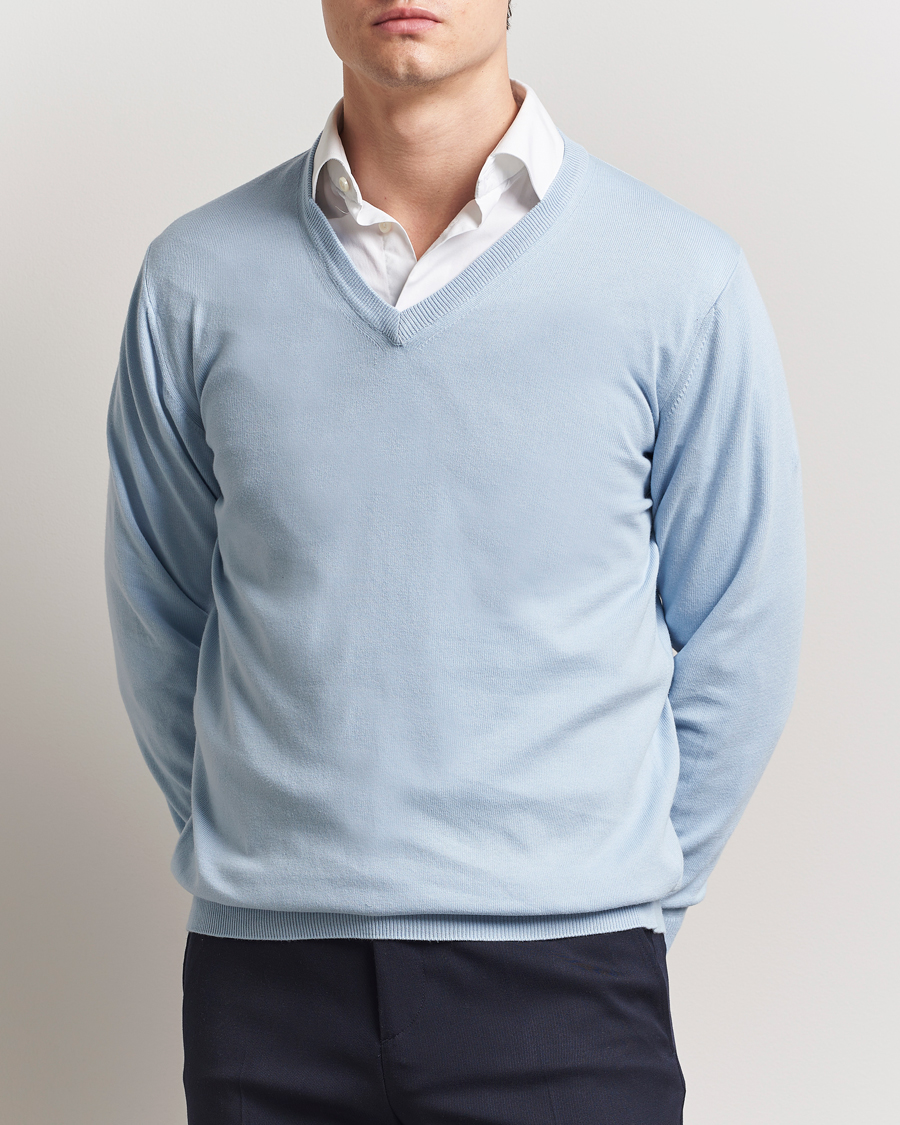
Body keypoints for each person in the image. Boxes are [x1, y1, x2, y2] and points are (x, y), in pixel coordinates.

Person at [104, 1, 805, 1121]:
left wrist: (613, 896)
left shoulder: (680, 279)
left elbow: (741, 628)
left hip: (569, 985)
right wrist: (269, 861)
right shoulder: (196, 278)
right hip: (267, 990)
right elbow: (161, 613)